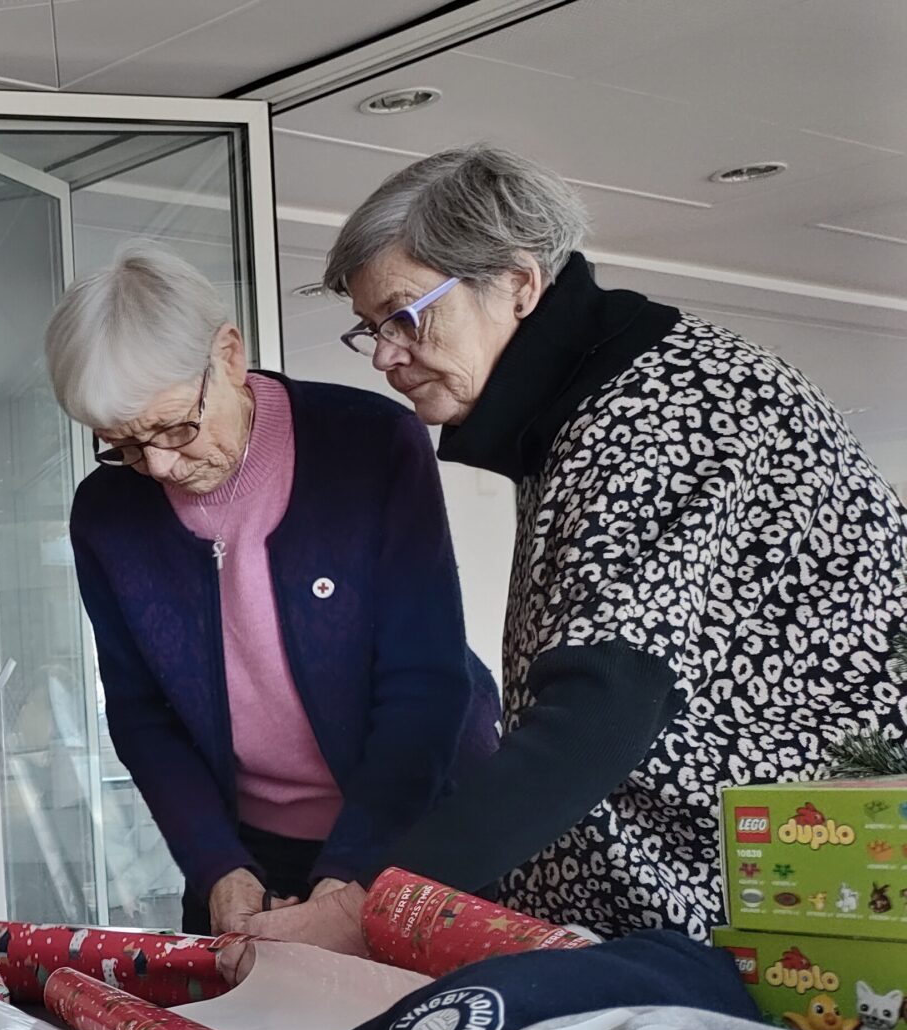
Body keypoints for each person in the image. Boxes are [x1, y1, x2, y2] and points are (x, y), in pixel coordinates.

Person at [245, 144, 907, 947]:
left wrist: (371, 908)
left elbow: (604, 708)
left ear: (519, 285)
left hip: (781, 923)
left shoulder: (662, 406)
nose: (385, 353)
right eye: (370, 329)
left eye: (406, 315)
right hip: (710, 912)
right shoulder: (590, 409)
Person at [47, 244, 498, 936]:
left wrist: (349, 876)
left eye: (175, 426)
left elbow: (426, 684)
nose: (161, 464)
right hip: (245, 856)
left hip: (416, 828)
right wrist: (218, 868)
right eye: (125, 445)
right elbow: (141, 713)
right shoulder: (107, 515)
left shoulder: (369, 445)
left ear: (228, 355)